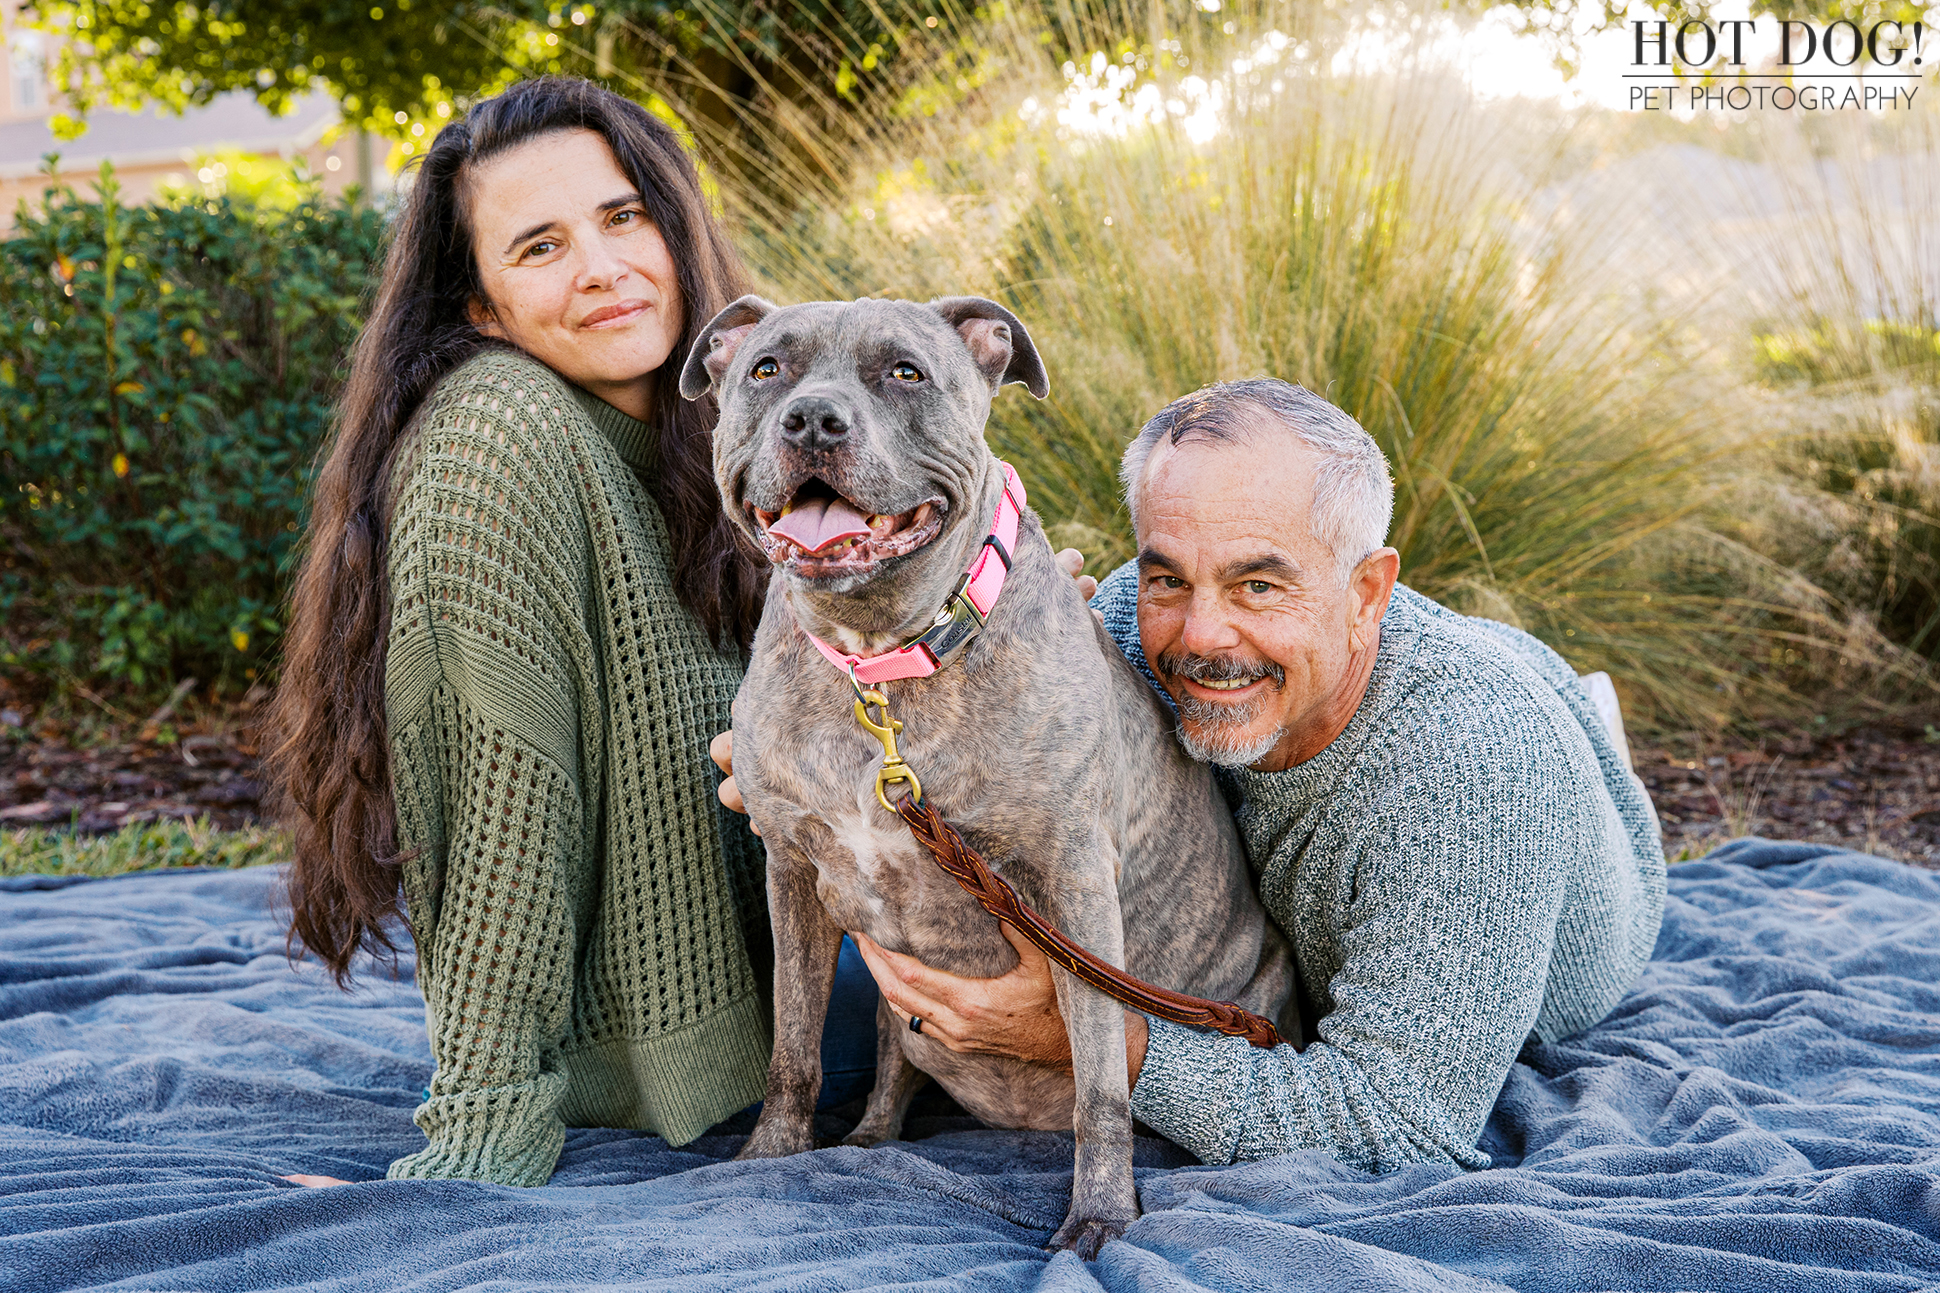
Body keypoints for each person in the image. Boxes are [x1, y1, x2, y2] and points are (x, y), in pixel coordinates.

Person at [741, 378, 1667, 1173]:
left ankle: (1583, 727)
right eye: (1168, 578)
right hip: (1269, 908)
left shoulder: (1468, 778)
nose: (1203, 636)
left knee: (1498, 756)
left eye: (1260, 584)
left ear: (1367, 592)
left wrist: (1086, 1038)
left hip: (1529, 817)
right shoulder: (1119, 628)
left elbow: (1399, 1125)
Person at [270, 77, 876, 1188]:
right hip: (766, 1034)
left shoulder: (739, 411)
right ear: (481, 308)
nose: (599, 266)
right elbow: (503, 793)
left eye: (621, 216)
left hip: (865, 950)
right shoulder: (498, 436)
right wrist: (485, 1127)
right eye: (539, 246)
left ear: (675, 227)